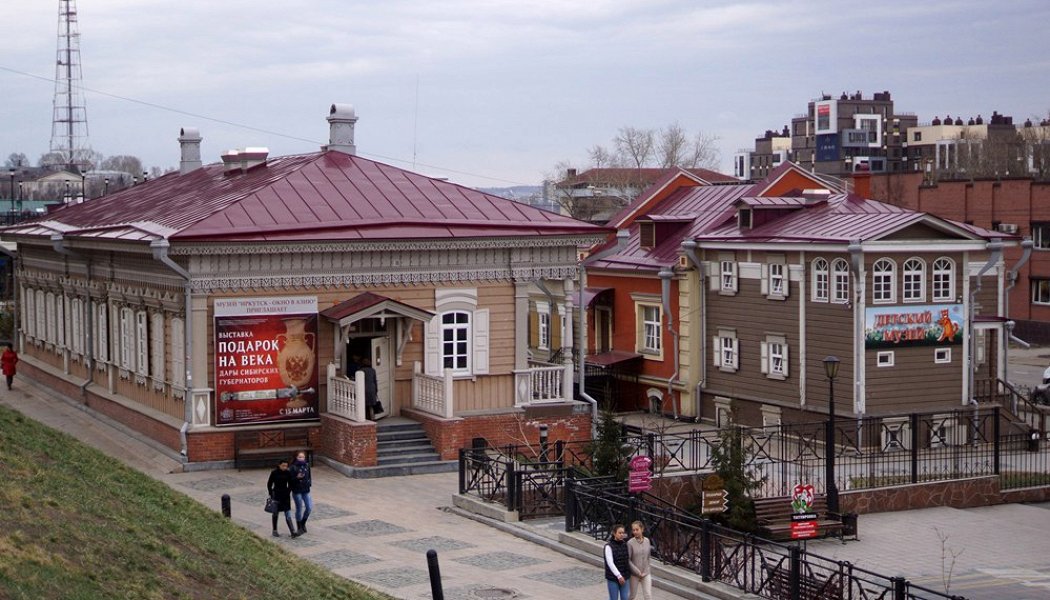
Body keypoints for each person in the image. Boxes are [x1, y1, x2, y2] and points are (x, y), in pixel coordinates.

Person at [266, 459, 299, 537]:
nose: (284, 467)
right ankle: (274, 530)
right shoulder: (274, 473)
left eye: (286, 466)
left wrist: (288, 491)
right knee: (275, 512)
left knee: (288, 512)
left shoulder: (288, 473)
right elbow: (269, 484)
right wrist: (271, 493)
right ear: (279, 465)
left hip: (285, 495)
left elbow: (291, 483)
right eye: (283, 466)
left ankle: (292, 531)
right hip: (276, 494)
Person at [604, 523, 630, 600]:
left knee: (625, 598)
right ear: (614, 533)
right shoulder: (608, 546)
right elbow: (610, 563)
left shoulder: (625, 545)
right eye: (619, 533)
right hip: (613, 577)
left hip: (625, 576)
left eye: (623, 533)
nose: (622, 535)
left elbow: (627, 560)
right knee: (614, 598)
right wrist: (619, 576)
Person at [628, 520, 653, 600]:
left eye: (637, 529)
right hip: (634, 574)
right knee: (632, 596)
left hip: (646, 573)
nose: (635, 532)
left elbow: (648, 557)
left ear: (642, 529)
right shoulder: (630, 543)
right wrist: (637, 572)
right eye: (633, 530)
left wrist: (647, 569)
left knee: (648, 595)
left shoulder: (647, 541)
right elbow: (628, 560)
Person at [289, 451, 312, 534]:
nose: (302, 459)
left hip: (305, 489)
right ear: (296, 457)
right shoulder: (293, 467)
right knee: (299, 508)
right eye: (300, 457)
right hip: (297, 490)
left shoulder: (306, 465)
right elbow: (290, 480)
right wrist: (297, 478)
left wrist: (309, 483)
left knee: (309, 507)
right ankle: (299, 527)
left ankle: (303, 523)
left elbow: (309, 476)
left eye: (303, 457)